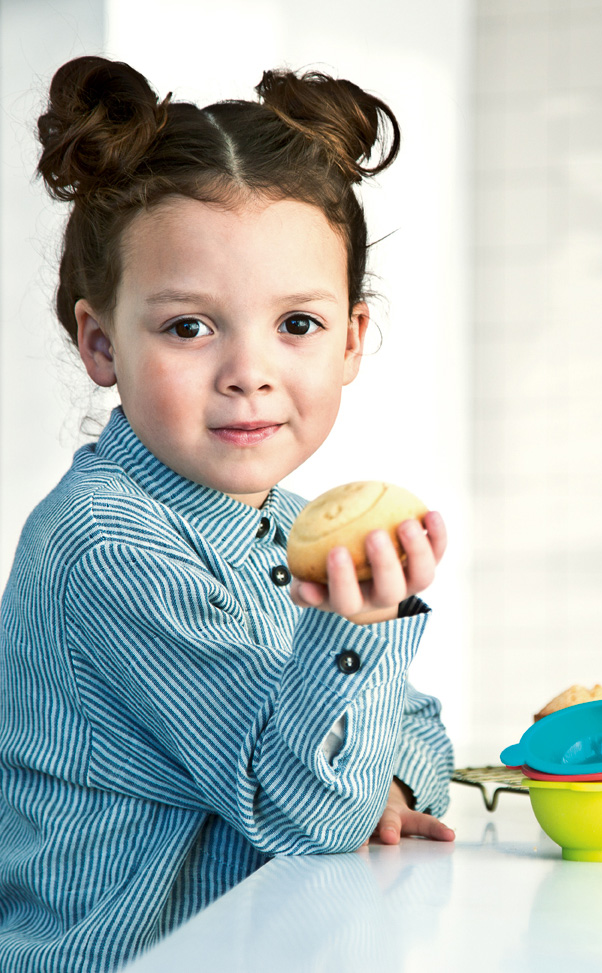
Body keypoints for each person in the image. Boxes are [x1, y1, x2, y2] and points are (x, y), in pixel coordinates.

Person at [0, 56, 455, 972]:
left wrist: (388, 780)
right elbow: (305, 812)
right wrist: (349, 636)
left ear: (354, 338)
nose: (249, 371)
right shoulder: (107, 545)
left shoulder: (288, 523)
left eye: (296, 324)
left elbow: (421, 728)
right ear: (101, 342)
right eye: (189, 327)